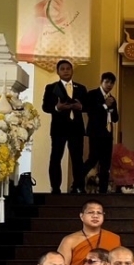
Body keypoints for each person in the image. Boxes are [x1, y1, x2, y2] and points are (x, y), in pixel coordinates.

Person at [41, 59, 88, 195]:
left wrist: (81, 107)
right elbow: (45, 107)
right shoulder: (51, 88)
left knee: (77, 158)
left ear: (72, 71)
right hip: (59, 128)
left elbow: (88, 106)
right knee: (56, 157)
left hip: (76, 128)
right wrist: (57, 107)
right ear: (58, 72)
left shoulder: (81, 88)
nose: (66, 71)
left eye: (68, 68)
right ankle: (55, 188)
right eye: (63, 69)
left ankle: (78, 187)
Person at [57, 200, 121, 265]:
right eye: (91, 212)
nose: (95, 216)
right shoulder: (69, 240)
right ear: (81, 216)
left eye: (99, 213)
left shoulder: (114, 238)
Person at [84, 72, 119, 194]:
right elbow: (90, 111)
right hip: (95, 133)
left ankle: (103, 190)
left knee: (106, 162)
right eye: (107, 82)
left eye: (112, 83)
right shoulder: (93, 94)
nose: (109, 85)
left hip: (107, 134)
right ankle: (78, 182)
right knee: (93, 158)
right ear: (101, 82)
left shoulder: (112, 98)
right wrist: (105, 106)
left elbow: (115, 118)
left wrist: (111, 108)